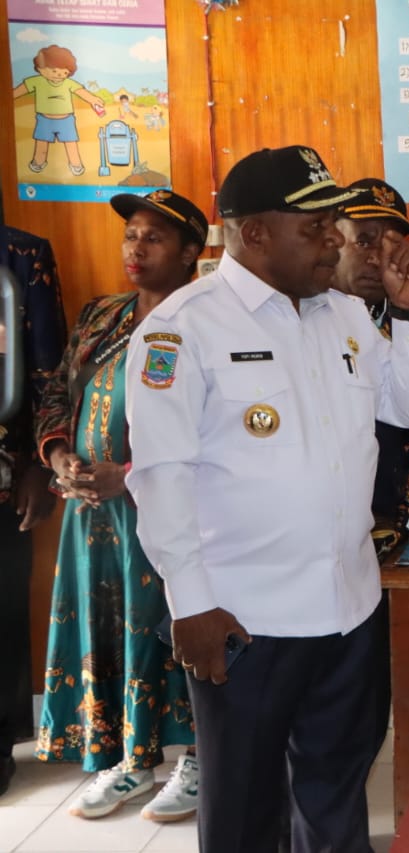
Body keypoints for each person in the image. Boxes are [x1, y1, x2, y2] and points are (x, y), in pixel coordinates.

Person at [124, 145, 409, 853]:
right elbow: (162, 476)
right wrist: (190, 602)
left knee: (335, 801)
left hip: (349, 610)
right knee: (244, 814)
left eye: (332, 224)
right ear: (255, 233)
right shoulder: (183, 328)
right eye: (316, 227)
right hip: (245, 622)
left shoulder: (345, 315)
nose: (335, 241)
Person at [33, 190, 207, 820]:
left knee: (175, 627)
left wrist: (127, 476)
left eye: (153, 238)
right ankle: (131, 759)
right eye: (131, 234)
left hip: (168, 511)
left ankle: (198, 759)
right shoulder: (101, 315)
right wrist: (60, 456)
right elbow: (57, 393)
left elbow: (216, 432)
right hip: (92, 515)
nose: (136, 248)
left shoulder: (203, 322)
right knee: (107, 629)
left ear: (190, 252)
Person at [333, 177, 409, 755]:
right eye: (365, 240)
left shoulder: (404, 316)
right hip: (303, 550)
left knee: (361, 707)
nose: (378, 256)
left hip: (378, 535)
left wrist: (404, 520)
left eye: (392, 243)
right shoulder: (308, 318)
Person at [0, 224, 66, 798]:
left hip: (4, 467)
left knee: (1, 609)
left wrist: (40, 468)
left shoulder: (21, 254)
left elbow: (49, 372)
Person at [12, 44, 106, 177]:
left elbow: (81, 92)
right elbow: (19, 91)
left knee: (71, 143)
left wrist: (93, 100)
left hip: (66, 120)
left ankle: (76, 164)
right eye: (54, 70)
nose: (59, 75)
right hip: (44, 119)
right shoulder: (36, 81)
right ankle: (38, 162)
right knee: (41, 143)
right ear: (40, 69)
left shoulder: (69, 83)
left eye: (65, 72)